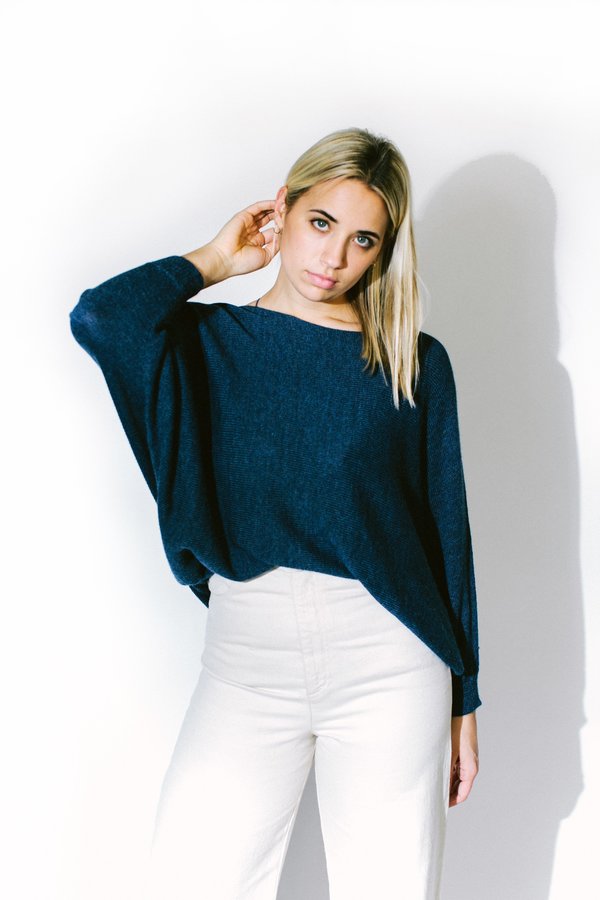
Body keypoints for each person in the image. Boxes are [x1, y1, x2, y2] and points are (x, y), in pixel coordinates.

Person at [69, 126, 481, 900]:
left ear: (383, 252)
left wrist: (466, 696)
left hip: (392, 659)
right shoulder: (208, 342)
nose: (334, 257)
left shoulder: (413, 362)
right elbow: (100, 319)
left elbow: (445, 534)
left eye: (363, 240)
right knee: (190, 880)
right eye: (321, 222)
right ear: (282, 209)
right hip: (246, 658)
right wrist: (215, 261)